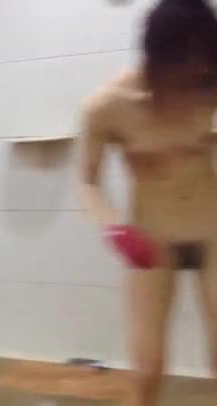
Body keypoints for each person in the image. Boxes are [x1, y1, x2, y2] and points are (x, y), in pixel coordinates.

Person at [78, 0, 217, 405]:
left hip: (212, 230)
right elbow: (87, 181)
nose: (195, 75)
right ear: (157, 56)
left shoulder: (209, 86)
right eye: (185, 65)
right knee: (147, 368)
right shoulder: (109, 106)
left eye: (203, 64)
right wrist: (114, 228)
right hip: (152, 240)